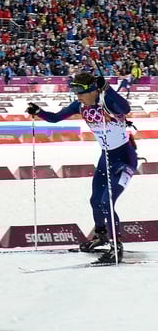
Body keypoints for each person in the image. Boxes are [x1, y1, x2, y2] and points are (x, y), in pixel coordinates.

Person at [26, 72, 136, 263]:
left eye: (80, 92)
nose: (77, 97)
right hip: (106, 159)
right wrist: (39, 112)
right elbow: (55, 118)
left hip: (124, 160)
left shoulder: (106, 102)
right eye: (74, 91)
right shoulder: (80, 106)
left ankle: (116, 246)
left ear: (93, 90)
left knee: (106, 202)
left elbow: (125, 109)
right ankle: (100, 236)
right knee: (95, 200)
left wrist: (107, 89)